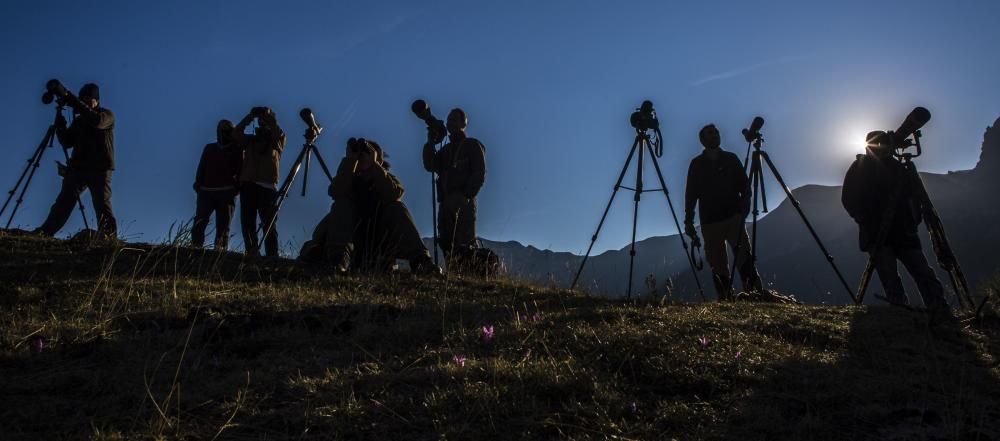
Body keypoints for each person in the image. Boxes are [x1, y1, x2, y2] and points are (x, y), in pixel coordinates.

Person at [299, 138, 440, 275]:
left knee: (396, 207)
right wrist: (350, 161)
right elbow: (336, 191)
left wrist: (374, 167)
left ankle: (422, 262)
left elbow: (394, 193)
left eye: (367, 154)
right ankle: (337, 261)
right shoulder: (349, 178)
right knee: (342, 204)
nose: (363, 157)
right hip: (350, 247)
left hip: (380, 250)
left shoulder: (386, 179)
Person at [842, 131, 948, 309]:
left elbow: (914, 197)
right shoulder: (861, 167)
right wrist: (865, 219)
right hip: (878, 233)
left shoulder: (899, 168)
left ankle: (937, 308)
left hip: (903, 232)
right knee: (891, 276)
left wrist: (913, 219)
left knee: (921, 272)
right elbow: (849, 199)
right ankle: (902, 312)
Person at [683, 124, 763, 300]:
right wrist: (688, 220)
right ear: (702, 140)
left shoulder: (731, 159)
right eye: (710, 133)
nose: (715, 135)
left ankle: (756, 297)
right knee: (718, 265)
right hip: (710, 222)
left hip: (734, 218)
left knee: (744, 259)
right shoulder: (696, 164)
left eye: (716, 132)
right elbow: (691, 195)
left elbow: (746, 187)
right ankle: (726, 299)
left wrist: (744, 211)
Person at [36, 83, 118, 239]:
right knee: (64, 201)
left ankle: (108, 236)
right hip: (79, 167)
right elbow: (67, 142)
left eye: (88, 99)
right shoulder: (80, 121)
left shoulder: (106, 115)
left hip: (100, 167)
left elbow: (97, 122)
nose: (84, 102)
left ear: (96, 100)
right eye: (82, 99)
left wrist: (70, 98)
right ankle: (46, 232)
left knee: (102, 203)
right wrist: (61, 126)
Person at [422, 108, 486, 264]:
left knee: (464, 242)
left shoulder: (472, 145)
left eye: (454, 120)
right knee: (445, 240)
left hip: (463, 200)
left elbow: (479, 172)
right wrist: (430, 143)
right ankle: (452, 274)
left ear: (464, 123)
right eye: (449, 119)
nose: (450, 123)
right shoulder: (446, 150)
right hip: (445, 202)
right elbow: (430, 165)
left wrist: (466, 196)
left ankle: (469, 274)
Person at [232, 106, 285, 257]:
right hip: (248, 185)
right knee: (247, 223)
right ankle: (252, 251)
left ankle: (272, 255)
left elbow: (278, 133)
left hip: (267, 188)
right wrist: (250, 117)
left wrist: (269, 117)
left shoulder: (277, 141)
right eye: (260, 121)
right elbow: (236, 134)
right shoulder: (250, 141)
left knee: (269, 224)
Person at [191, 120, 242, 250]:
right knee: (200, 222)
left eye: (227, 131)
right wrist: (199, 185)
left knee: (223, 226)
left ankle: (219, 251)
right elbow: (201, 167)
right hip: (207, 191)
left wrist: (236, 188)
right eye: (222, 131)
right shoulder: (210, 148)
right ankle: (196, 248)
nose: (224, 134)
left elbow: (241, 169)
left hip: (227, 192)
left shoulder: (237, 149)